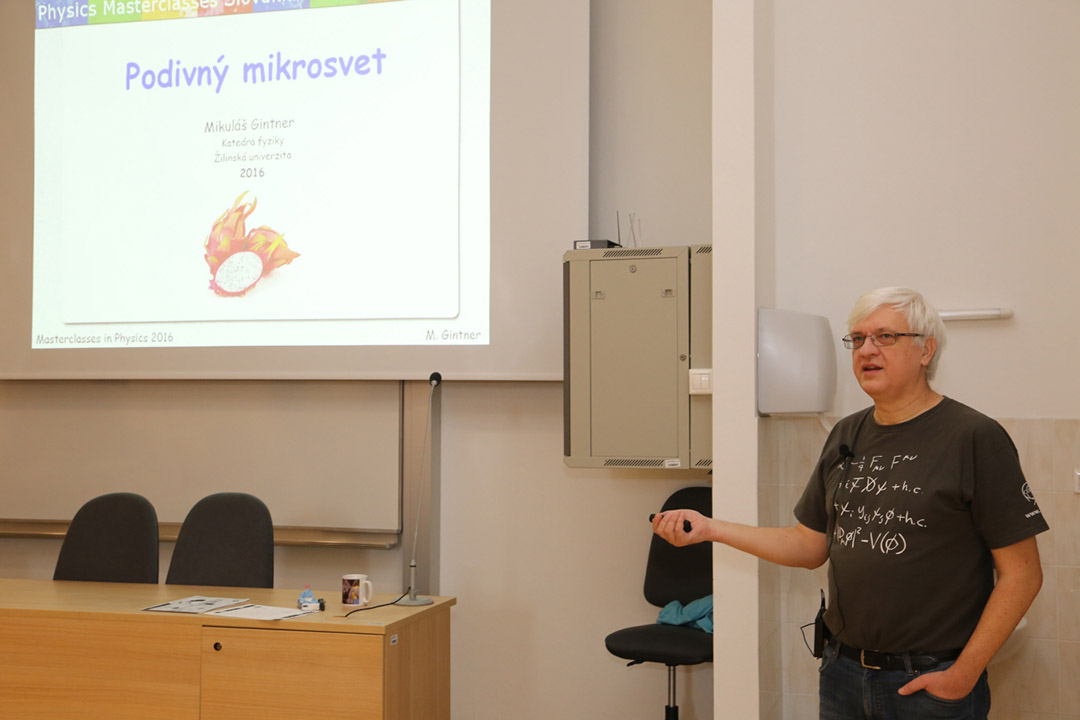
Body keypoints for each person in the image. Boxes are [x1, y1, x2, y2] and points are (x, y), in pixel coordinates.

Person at [652, 287, 1047, 720]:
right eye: (857, 339)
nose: (866, 350)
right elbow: (809, 545)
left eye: (885, 337)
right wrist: (711, 529)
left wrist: (963, 675)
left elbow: (1022, 574)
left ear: (925, 350)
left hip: (930, 684)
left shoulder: (974, 438)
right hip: (843, 675)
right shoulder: (846, 434)